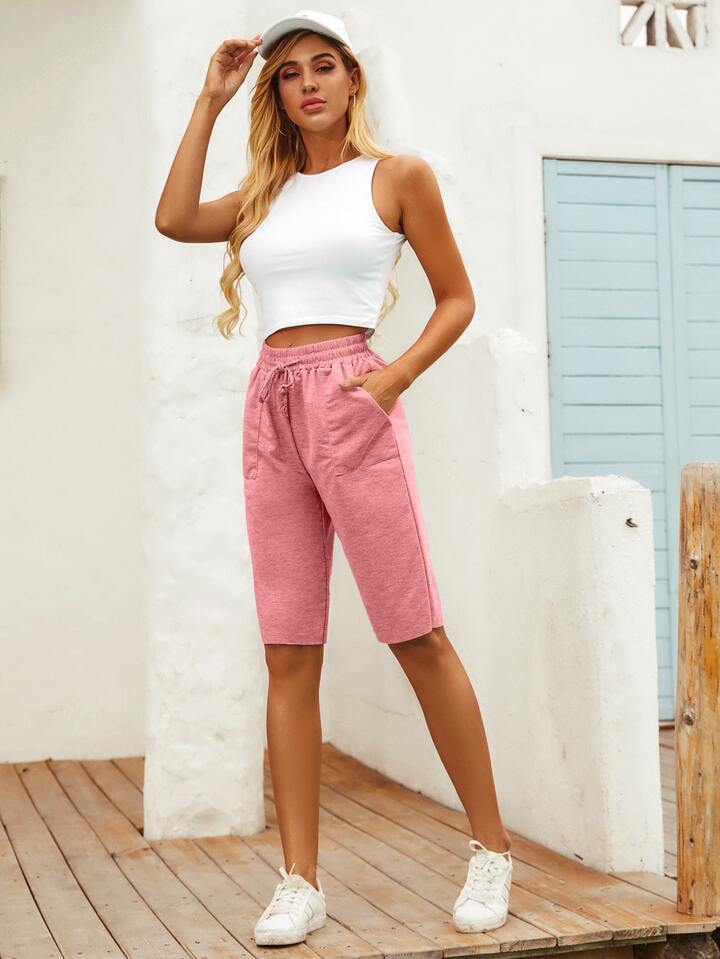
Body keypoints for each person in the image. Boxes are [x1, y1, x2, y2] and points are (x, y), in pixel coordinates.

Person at [155, 8, 513, 947]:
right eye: (290, 73)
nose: (308, 83)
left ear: (353, 78)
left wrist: (392, 380)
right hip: (271, 404)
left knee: (415, 631)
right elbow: (174, 219)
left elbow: (457, 298)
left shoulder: (397, 177)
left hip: (354, 396)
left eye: (324, 66)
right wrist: (209, 99)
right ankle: (300, 880)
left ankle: (491, 848)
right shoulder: (264, 193)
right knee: (288, 646)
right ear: (275, 93)